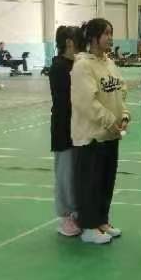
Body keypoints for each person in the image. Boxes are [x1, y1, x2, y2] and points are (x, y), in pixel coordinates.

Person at [71, 18, 129, 245]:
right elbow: (87, 102)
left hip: (110, 134)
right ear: (93, 38)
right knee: (90, 184)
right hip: (91, 137)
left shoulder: (110, 63)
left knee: (106, 181)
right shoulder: (82, 66)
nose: (110, 38)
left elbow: (120, 92)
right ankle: (88, 226)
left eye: (111, 33)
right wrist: (109, 120)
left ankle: (101, 221)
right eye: (106, 33)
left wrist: (124, 116)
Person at [48, 25, 84, 237]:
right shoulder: (59, 67)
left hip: (81, 128)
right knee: (65, 173)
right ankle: (66, 216)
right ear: (69, 42)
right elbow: (66, 101)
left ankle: (80, 213)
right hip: (64, 128)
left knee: (79, 174)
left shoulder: (79, 64)